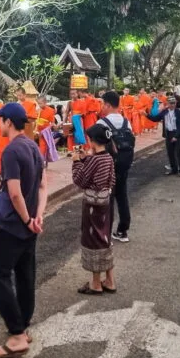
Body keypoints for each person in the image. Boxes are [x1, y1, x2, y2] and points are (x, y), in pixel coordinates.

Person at [0, 102, 46, 358]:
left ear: (9, 122)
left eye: (0, 120)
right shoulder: (33, 146)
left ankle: (17, 334)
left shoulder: (11, 151)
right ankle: (24, 325)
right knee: (24, 274)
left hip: (12, 226)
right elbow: (43, 187)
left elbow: (14, 192)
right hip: (30, 225)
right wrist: (37, 217)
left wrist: (26, 218)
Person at [71, 125, 116, 295]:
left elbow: (79, 180)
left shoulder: (94, 159)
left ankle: (96, 283)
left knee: (93, 239)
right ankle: (110, 280)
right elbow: (111, 180)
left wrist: (76, 162)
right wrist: (85, 159)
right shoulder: (108, 158)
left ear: (93, 141)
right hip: (105, 202)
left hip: (92, 205)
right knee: (104, 237)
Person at [94, 91, 134, 243]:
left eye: (103, 104)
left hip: (108, 165)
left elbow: (95, 144)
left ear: (108, 105)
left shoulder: (102, 123)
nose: (102, 107)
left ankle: (106, 233)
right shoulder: (126, 122)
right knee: (122, 195)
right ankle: (123, 231)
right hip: (125, 162)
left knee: (108, 197)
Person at [147, 95, 180, 177]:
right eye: (170, 103)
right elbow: (155, 119)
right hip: (169, 133)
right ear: (167, 103)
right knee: (170, 152)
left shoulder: (179, 112)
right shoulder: (165, 111)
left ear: (176, 103)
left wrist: (176, 136)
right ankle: (174, 169)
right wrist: (146, 115)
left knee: (179, 152)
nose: (172, 105)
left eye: (174, 103)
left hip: (177, 133)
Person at [35, 95, 57, 165]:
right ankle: (41, 160)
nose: (39, 105)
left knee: (45, 146)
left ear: (45, 102)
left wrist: (46, 130)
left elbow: (52, 123)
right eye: (38, 103)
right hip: (38, 131)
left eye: (40, 103)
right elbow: (36, 120)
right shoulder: (38, 110)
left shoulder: (50, 111)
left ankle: (43, 161)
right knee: (40, 145)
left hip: (46, 132)